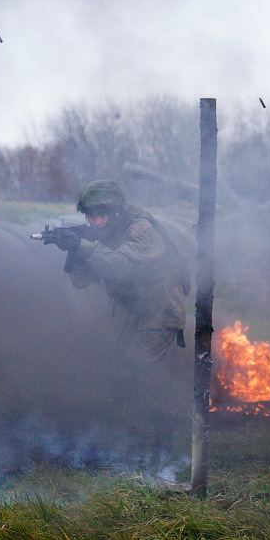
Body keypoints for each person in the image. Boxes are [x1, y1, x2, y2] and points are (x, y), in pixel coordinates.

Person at [51, 180, 190, 455]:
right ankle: (129, 436)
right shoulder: (99, 235)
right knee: (116, 370)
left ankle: (164, 435)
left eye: (101, 215)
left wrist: (83, 245)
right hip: (128, 308)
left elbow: (120, 266)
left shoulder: (141, 228)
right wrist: (71, 251)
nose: (96, 221)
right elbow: (81, 281)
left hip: (158, 308)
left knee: (137, 369)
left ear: (116, 212)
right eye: (90, 216)